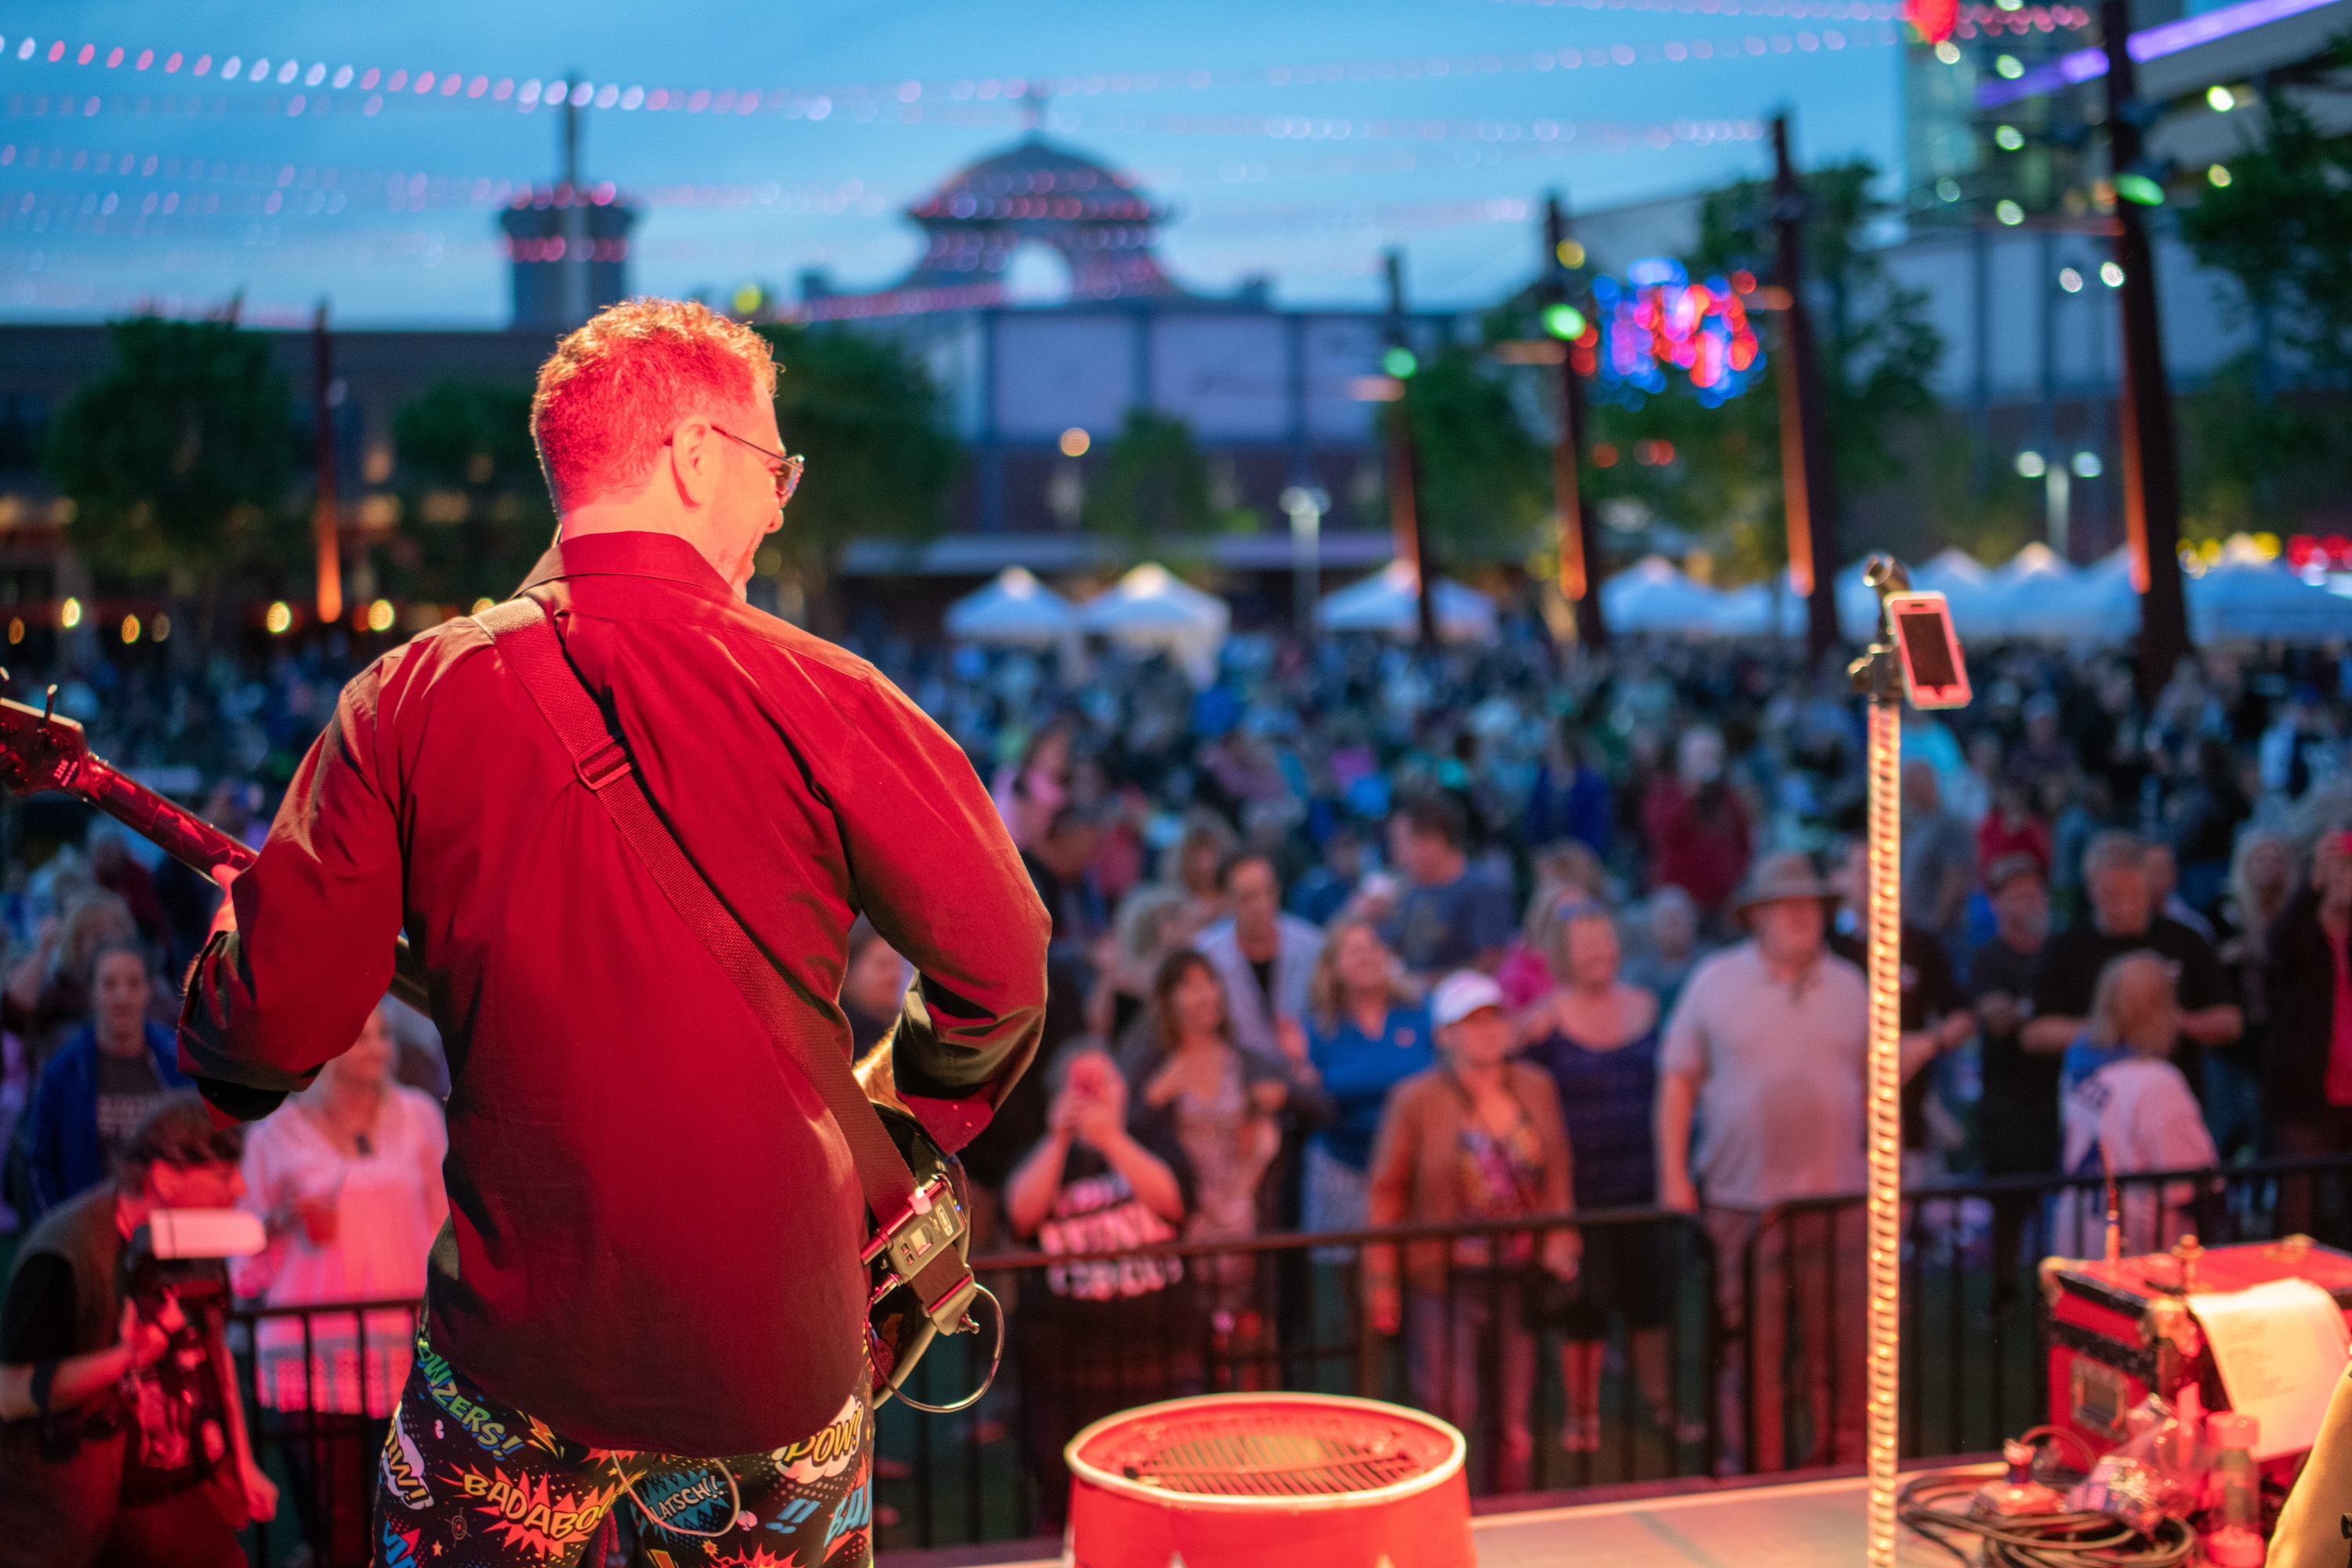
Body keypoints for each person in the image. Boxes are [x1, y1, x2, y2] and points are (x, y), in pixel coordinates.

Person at [175, 298, 1050, 1565]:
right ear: (695, 458)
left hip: (520, 1366)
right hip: (777, 1365)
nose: (782, 502)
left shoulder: (407, 701)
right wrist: (900, 1117)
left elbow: (260, 1036)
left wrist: (233, 957)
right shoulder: (828, 694)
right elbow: (1003, 965)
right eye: (773, 466)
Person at [1656, 852, 1867, 1474]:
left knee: (1844, 1349)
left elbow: (1873, 1085)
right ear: (1758, 916)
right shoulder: (1714, 981)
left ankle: (1841, 1462)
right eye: (1786, 905)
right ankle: (1752, 1465)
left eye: (1811, 905)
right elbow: (1676, 1081)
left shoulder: (1853, 987)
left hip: (1839, 1202)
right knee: (1750, 1347)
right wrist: (1673, 1173)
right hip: (1742, 1202)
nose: (1802, 915)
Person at [0, 1094, 278, 1567]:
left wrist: (243, 1464)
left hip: (187, 1497)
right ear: (166, 1178)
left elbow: (214, 1351)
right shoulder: (67, 1253)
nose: (239, 1187)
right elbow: (8, 1393)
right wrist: (124, 1359)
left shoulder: (200, 1236)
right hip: (87, 1515)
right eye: (223, 1174)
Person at [233, 1002, 447, 1568]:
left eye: (382, 1036)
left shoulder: (420, 1115)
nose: (378, 1048)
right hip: (311, 1353)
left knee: (418, 1519)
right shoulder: (275, 1133)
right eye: (362, 1037)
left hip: (405, 1348)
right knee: (339, 1524)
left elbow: (444, 1226)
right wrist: (281, 1220)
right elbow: (243, 1261)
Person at [1366, 971, 1576, 1494]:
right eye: (1471, 1022)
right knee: (1445, 1407)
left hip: (1517, 1274)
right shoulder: (1416, 1100)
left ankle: (1510, 1517)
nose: (1487, 1031)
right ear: (1446, 1035)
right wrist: (1381, 1280)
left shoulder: (1536, 1087)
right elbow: (1387, 1192)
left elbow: (1557, 1171)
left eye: (1494, 1017)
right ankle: (1443, 1519)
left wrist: (1562, 1236)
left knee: (1512, 1416)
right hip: (1443, 1278)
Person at [1003, 1043, 1194, 1532]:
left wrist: (1112, 1140)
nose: (1095, 1096)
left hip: (1156, 1355)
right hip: (1067, 1367)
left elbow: (1174, 1204)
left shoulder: (1152, 1136)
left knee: (1162, 1485)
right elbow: (1021, 1214)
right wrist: (1059, 1138)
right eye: (1081, 1086)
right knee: (1070, 1495)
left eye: (1104, 1084)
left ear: (1124, 1090)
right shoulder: (1044, 1150)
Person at [1517, 900, 1686, 1452]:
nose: (1599, 953)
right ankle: (1582, 1414)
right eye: (1585, 945)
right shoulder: (1544, 1020)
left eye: (1605, 941)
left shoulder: (1647, 1007)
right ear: (1565, 957)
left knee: (1651, 1302)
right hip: (1579, 1190)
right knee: (1583, 1309)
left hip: (1643, 1183)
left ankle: (1661, 1404)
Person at [1126, 949, 1320, 1392]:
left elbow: (1319, 1107)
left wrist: (1283, 1095)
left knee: (1256, 1341)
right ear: (1168, 1000)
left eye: (1209, 981)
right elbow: (1117, 1134)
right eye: (1189, 985)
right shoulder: (1151, 1062)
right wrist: (1157, 1096)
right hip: (1183, 1230)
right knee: (1193, 1347)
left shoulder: (1244, 1060)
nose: (1204, 994)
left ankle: (1258, 1422)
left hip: (1248, 1222)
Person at [2025, 832, 2240, 1115]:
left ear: (2147, 885)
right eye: (2112, 895)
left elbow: (2230, 1022)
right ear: (2092, 888)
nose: (2124, 906)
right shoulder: (2066, 948)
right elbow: (2035, 1034)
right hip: (2096, 1108)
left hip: (2173, 1103)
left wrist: (2175, 1022)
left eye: (2132, 893)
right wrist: (2108, 1029)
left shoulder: (2185, 940)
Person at [1824, 840, 1974, 1181]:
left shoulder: (1920, 944)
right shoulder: (1824, 948)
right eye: (1863, 870)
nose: (1874, 879)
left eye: (1883, 869)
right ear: (1840, 879)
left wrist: (1926, 1044)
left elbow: (1964, 1018)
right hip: (1834, 1125)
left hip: (1908, 1118)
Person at [2055, 954, 2218, 1254]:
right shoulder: (2157, 1082)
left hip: (2077, 1244)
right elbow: (2193, 1185)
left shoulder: (2078, 1072)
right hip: (2140, 1259)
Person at [25, 940, 186, 1221]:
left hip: (169, 1225)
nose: (122, 997)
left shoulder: (178, 1063)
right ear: (92, 992)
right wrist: (59, 1230)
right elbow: (40, 1162)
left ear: (148, 990)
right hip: (90, 1230)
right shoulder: (64, 1072)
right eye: (109, 985)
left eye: (133, 983)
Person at [1300, 920, 1432, 1240]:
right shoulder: (1319, 1029)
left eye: (1373, 946)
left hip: (1416, 1165)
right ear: (1333, 968)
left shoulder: (1418, 1012)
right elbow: (1310, 1098)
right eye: (1354, 950)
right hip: (1345, 1166)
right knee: (1349, 1270)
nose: (1367, 956)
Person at [1968, 855, 2058, 1312]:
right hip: (2008, 1098)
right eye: (2015, 892)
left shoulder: (2060, 952)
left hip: (2060, 1096)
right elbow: (1998, 1019)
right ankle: (2003, 1291)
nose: (2028, 899)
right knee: (2008, 1203)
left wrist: (2026, 1012)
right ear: (1996, 903)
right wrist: (2038, 1014)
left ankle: (2058, 1294)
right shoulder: (1988, 958)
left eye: (2034, 890)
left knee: (2062, 1204)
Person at [2263, 831, 2352, 1236]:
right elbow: (2279, 948)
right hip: (2304, 1092)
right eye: (2336, 873)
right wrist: (2312, 885)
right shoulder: (2300, 932)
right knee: (2298, 1206)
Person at [1196, 854, 1323, 1065]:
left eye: (1268, 892)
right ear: (1227, 901)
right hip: (1239, 1075)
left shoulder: (1313, 946)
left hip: (1307, 1073)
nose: (1261, 905)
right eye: (1248, 897)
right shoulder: (1206, 956)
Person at [1377, 795, 1515, 984]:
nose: (1396, 856)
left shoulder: (1481, 889)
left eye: (1401, 844)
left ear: (1433, 843)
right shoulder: (1409, 891)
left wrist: (1419, 982)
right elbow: (1395, 951)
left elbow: (1492, 962)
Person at [1641, 728, 1751, 925]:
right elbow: (1662, 833)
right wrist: (1690, 792)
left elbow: (1744, 841)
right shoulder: (1666, 791)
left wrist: (1735, 878)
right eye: (1700, 755)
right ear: (1684, 758)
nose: (1706, 762)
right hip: (1679, 904)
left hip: (1722, 901)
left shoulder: (1728, 797)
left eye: (1711, 755)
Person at [1901, 759, 1977, 961]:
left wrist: (1935, 926)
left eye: (1911, 786)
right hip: (1918, 932)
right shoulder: (1916, 826)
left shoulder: (1951, 824)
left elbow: (1955, 877)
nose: (1907, 793)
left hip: (1943, 936)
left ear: (1929, 783)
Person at [1621, 886, 1702, 1018]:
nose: (1676, 929)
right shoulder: (1636, 973)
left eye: (1681, 920)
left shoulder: (1709, 964)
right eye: (1670, 921)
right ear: (1653, 926)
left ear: (1694, 921)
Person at [840, 917, 909, 1055]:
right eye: (883, 965)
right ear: (846, 976)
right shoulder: (837, 1041)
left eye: (903, 967)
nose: (896, 976)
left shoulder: (912, 1035)